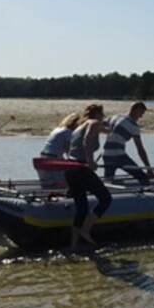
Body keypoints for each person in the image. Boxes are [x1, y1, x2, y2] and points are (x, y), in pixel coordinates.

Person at [65, 104, 112, 248]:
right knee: (105, 198)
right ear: (98, 114)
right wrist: (90, 161)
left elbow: (105, 130)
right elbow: (87, 139)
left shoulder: (80, 125)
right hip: (82, 168)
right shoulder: (94, 122)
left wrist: (112, 129)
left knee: (82, 208)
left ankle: (74, 245)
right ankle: (85, 230)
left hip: (70, 169)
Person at [102, 101, 154, 184]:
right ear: (135, 110)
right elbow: (140, 149)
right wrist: (148, 168)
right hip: (119, 155)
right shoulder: (133, 126)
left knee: (108, 180)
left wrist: (109, 132)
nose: (141, 116)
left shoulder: (116, 117)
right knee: (143, 177)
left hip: (106, 154)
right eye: (141, 113)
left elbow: (100, 124)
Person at [36, 112, 81, 187]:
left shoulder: (58, 129)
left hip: (43, 156)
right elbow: (68, 150)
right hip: (53, 158)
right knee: (64, 180)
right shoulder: (68, 132)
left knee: (49, 181)